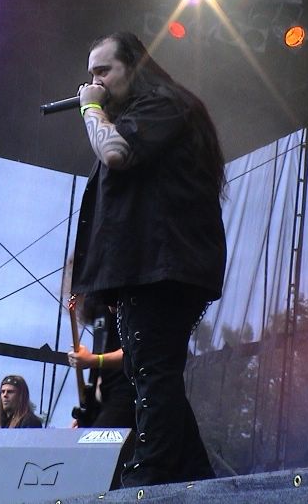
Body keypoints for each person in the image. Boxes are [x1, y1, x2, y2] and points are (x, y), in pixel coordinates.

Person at [71, 32, 227, 487]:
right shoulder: (141, 113)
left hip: (166, 266)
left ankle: (148, 473)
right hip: (150, 266)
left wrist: (90, 108)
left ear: (134, 66)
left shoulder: (164, 104)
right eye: (90, 74)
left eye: (103, 71)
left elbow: (115, 153)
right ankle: (200, 477)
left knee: (152, 367)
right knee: (149, 368)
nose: (94, 82)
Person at [67, 295, 136, 429]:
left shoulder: (125, 302)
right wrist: (90, 413)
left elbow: (135, 352)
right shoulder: (98, 305)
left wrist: (93, 360)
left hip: (127, 393)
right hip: (105, 399)